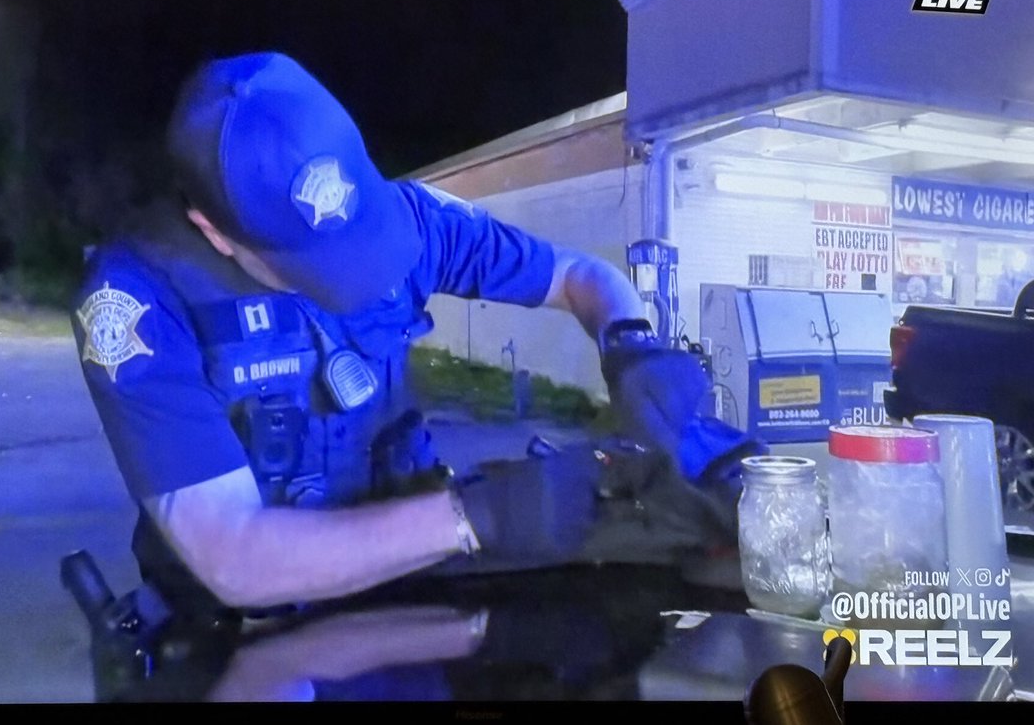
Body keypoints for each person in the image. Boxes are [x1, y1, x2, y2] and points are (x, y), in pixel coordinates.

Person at [71, 52, 758, 616]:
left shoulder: (415, 218)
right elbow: (236, 559)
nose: (361, 274)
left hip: (409, 586)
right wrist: (479, 515)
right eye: (317, 271)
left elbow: (580, 277)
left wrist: (630, 344)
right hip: (244, 632)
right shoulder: (135, 302)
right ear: (214, 231)